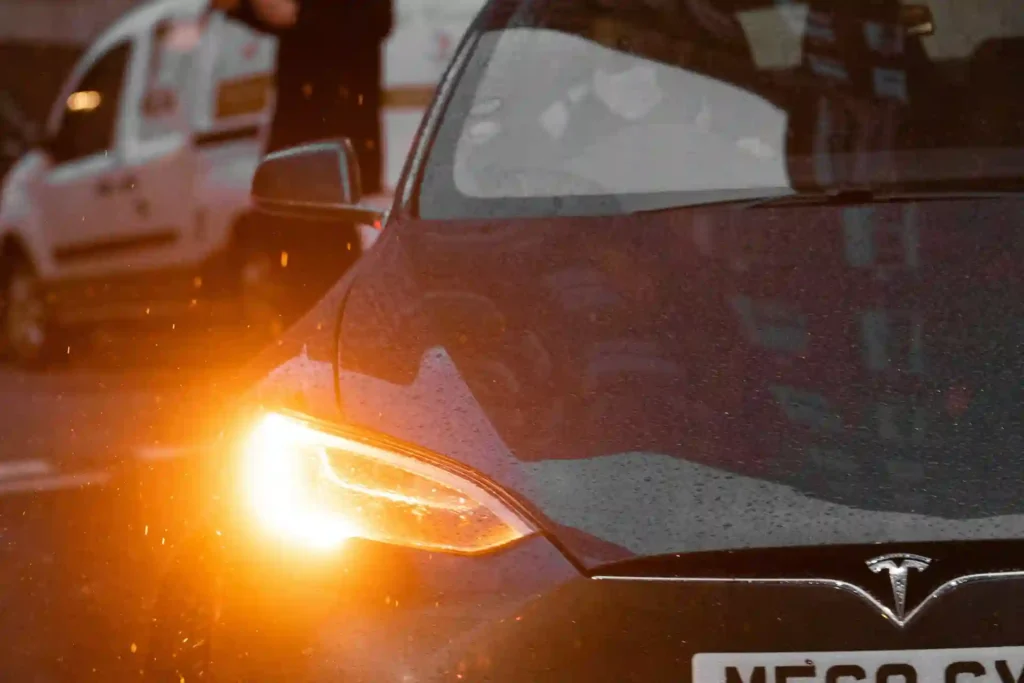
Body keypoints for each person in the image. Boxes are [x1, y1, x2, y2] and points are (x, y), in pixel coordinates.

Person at [211, 0, 394, 195]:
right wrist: (243, 8)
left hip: (341, 130)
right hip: (293, 128)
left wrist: (300, 15)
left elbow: (376, 20)